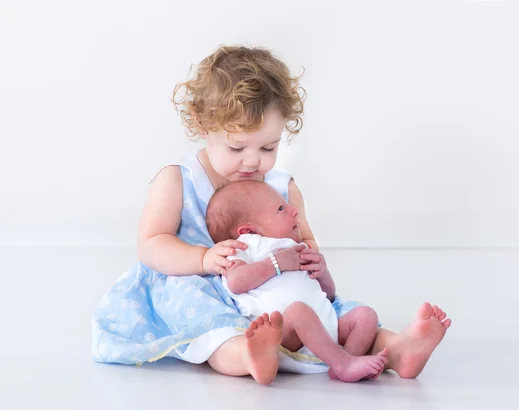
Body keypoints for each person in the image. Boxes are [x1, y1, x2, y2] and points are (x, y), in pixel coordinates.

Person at [91, 45, 451, 386]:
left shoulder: (281, 186)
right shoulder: (178, 180)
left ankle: (398, 350)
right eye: (237, 147)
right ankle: (249, 355)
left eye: (268, 147)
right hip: (202, 285)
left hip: (279, 289)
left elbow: (303, 238)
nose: (253, 160)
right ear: (203, 126)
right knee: (213, 327)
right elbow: (151, 244)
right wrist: (202, 258)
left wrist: (310, 256)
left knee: (342, 316)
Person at [205, 180, 390, 382]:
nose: (294, 210)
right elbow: (236, 282)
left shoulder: (296, 245)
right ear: (249, 231)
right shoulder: (244, 247)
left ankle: (347, 360)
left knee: (366, 316)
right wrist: (277, 263)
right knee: (298, 311)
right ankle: (343, 363)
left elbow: (328, 296)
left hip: (324, 327)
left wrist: (323, 273)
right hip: (286, 333)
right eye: (281, 208)